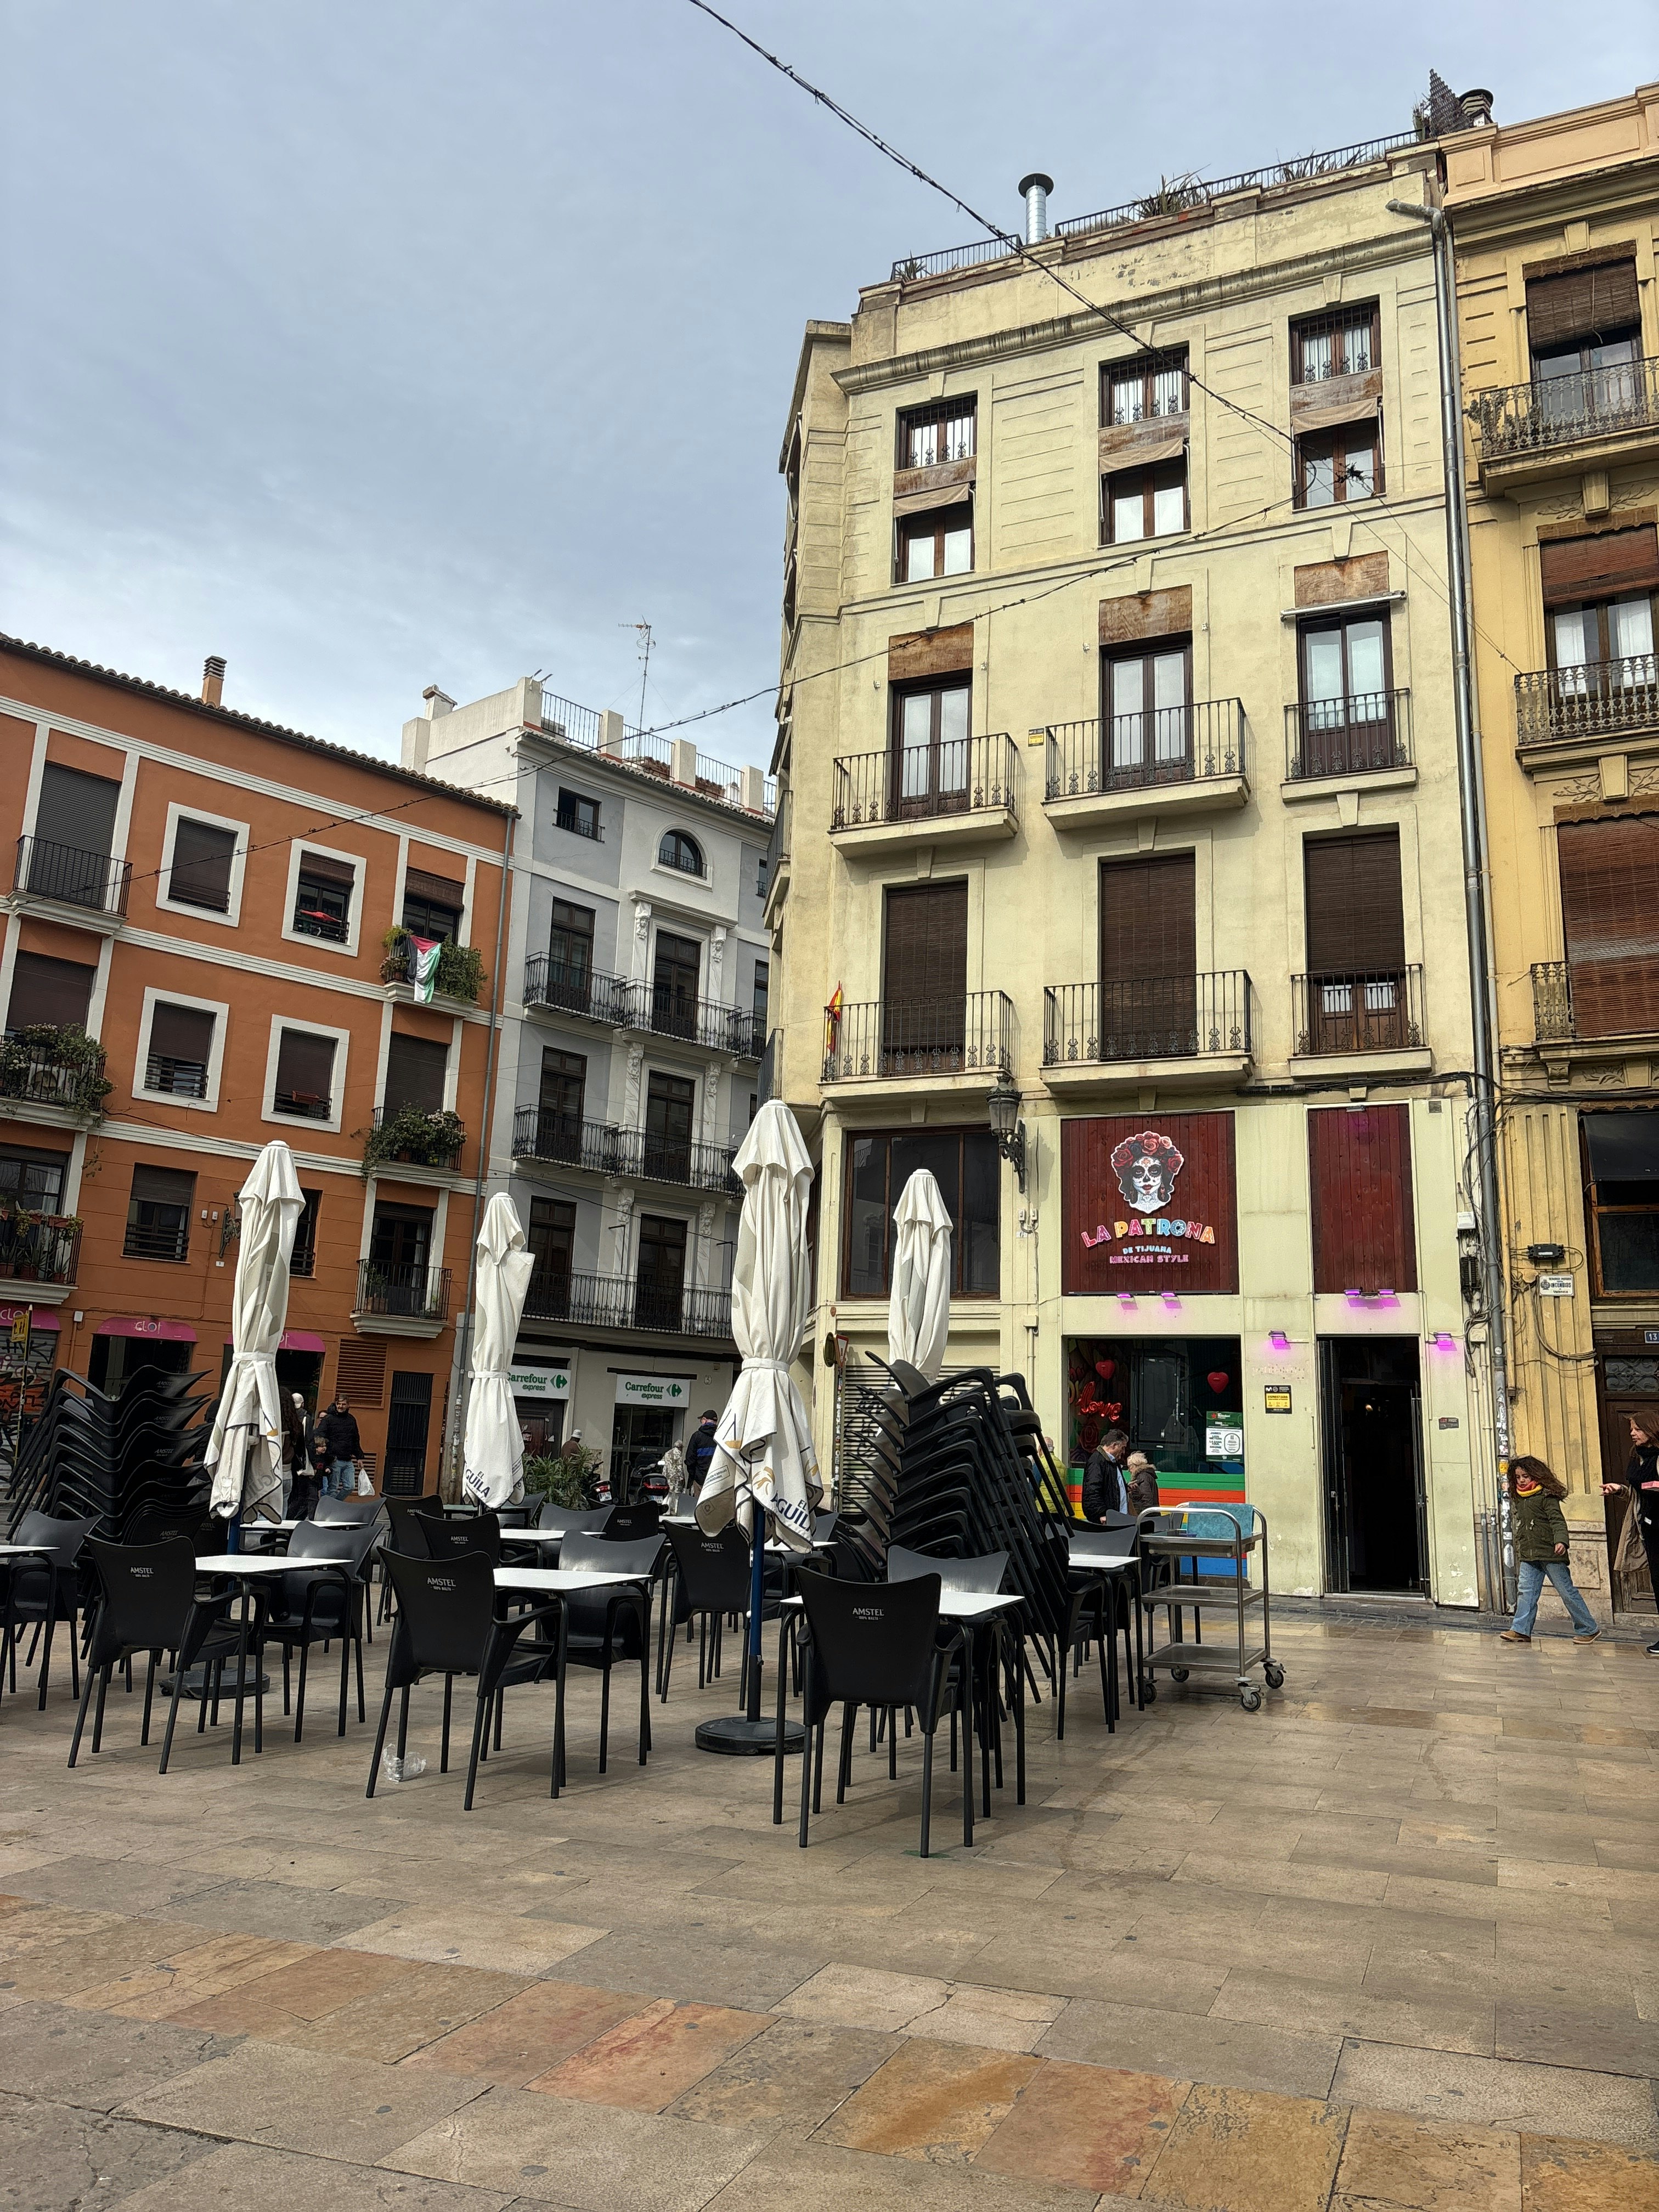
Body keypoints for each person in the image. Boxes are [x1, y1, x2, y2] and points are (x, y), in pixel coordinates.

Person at [1500, 1454, 1600, 1645]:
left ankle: (1589, 1629)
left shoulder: (1546, 1496)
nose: (1521, 1481)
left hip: (1551, 1553)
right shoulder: (1519, 1498)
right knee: (1526, 1592)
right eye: (1518, 1477)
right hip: (1530, 1554)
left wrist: (1561, 1541)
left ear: (1536, 1476)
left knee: (1566, 1591)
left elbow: (1557, 1521)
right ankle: (1520, 1630)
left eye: (1525, 1477)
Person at [1601, 1411, 1659, 1657]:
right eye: (1632, 1429)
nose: (1632, 1433)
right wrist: (1619, 1490)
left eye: (1637, 1429)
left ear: (1652, 1429)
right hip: (1648, 1528)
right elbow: (1639, 1492)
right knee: (1658, 1582)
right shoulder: (1637, 1457)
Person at [315, 1393, 364, 1498]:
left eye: (344, 1404)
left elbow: (355, 1439)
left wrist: (359, 1457)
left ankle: (334, 1505)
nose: (341, 1406)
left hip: (348, 1459)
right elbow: (320, 1437)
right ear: (336, 1404)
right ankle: (330, 1511)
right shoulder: (328, 1419)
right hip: (335, 1459)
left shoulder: (351, 1419)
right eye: (339, 1404)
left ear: (348, 1405)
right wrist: (328, 1454)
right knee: (332, 1489)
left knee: (350, 1487)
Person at [1082, 1427, 1131, 1522]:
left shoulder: (1113, 1462)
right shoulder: (1097, 1461)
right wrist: (1101, 1514)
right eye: (1123, 1447)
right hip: (1106, 1519)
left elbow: (1111, 1486)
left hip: (1115, 1516)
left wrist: (1125, 1488)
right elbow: (1092, 1490)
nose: (1124, 1451)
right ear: (1114, 1446)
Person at [284, 1391, 318, 1520]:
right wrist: (314, 1463)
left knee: (290, 1493)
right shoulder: (306, 1419)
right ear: (302, 1404)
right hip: (301, 1461)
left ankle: (285, 1518)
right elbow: (309, 1442)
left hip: (287, 1460)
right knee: (302, 1494)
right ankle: (291, 1519)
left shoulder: (285, 1417)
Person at [686, 1408, 720, 1493]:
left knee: (698, 1504)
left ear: (705, 1420)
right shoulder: (721, 1436)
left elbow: (690, 1459)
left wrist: (694, 1476)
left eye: (702, 1420)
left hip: (700, 1479)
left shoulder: (697, 1436)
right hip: (717, 1479)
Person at [1125, 1450, 1160, 1517]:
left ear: (1136, 1465)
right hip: (1150, 1515)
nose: (1129, 1470)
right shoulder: (1147, 1475)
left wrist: (1143, 1516)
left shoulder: (1142, 1476)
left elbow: (1147, 1498)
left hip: (1144, 1516)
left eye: (1129, 1467)